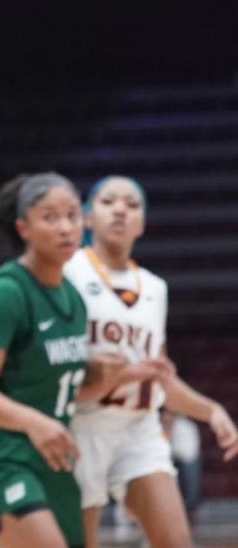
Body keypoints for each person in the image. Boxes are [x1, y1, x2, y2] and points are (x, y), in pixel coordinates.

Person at [0, 173, 159, 548]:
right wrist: (36, 423)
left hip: (51, 456)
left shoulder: (73, 300)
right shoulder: (6, 292)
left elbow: (63, 390)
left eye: (72, 216)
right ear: (23, 227)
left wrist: (118, 376)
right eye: (49, 217)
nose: (65, 228)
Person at [65, 175, 238, 548]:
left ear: (142, 223)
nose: (121, 210)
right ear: (88, 217)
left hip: (137, 430)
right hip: (80, 427)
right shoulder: (68, 273)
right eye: (108, 201)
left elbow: (157, 375)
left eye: (132, 204)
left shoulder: (155, 288)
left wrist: (211, 411)